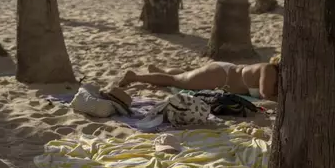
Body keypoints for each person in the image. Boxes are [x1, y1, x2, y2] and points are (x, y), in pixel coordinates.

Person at [118, 56, 280, 101]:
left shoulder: (278, 77)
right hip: (220, 76)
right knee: (175, 80)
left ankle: (160, 70)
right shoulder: (269, 69)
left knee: (184, 76)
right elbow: (266, 94)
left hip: (222, 75)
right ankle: (135, 76)